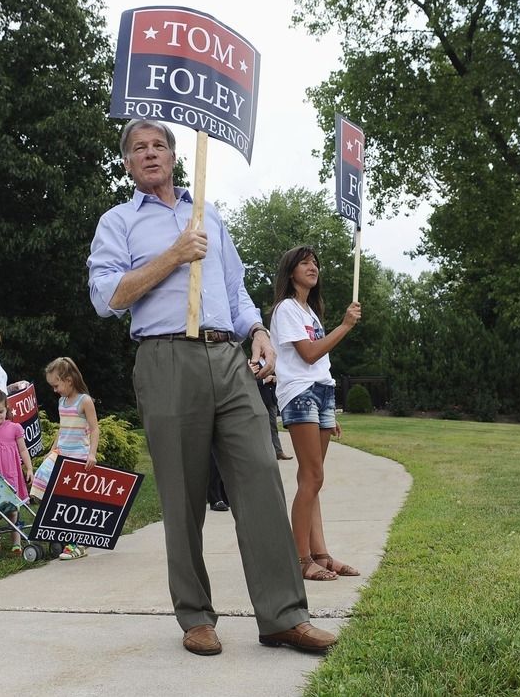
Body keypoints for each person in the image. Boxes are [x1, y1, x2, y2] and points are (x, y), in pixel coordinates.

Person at [87, 119, 337, 656]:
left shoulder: (210, 216)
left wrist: (260, 330)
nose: (150, 154)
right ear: (127, 164)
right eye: (138, 149)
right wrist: (174, 255)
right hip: (165, 357)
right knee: (181, 494)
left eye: (159, 145)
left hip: (229, 356)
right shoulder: (118, 222)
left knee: (261, 478)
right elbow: (107, 297)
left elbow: (235, 288)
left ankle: (283, 616)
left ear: (174, 156)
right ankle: (196, 616)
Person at [269, 246, 361, 582]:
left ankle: (321, 555)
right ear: (290, 271)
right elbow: (308, 354)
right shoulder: (286, 310)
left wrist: (329, 412)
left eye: (315, 263)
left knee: (313, 478)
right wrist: (346, 326)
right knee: (312, 476)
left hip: (321, 393)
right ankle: (301, 559)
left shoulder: (310, 313)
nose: (313, 267)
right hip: (300, 393)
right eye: (305, 263)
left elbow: (319, 363)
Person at [32, 356, 99, 561]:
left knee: (73, 500)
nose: (55, 390)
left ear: (68, 380)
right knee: (41, 481)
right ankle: (61, 529)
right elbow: (63, 429)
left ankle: (78, 542)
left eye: (56, 385)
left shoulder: (84, 401)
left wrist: (92, 454)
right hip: (62, 452)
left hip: (78, 454)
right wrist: (53, 450)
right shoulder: (62, 401)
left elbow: (95, 428)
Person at [0, 388, 32, 552]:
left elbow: (23, 450)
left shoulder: (15, 428)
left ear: (7, 408)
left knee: (13, 508)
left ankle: (16, 541)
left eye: (0, 411)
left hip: (11, 475)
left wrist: (29, 468)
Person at [255, 369, 291, 460]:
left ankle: (278, 452)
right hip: (260, 400)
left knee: (273, 426)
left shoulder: (271, 363)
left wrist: (276, 380)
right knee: (260, 428)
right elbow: (249, 382)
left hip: (272, 401)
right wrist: (264, 381)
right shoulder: (254, 363)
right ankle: (263, 454)